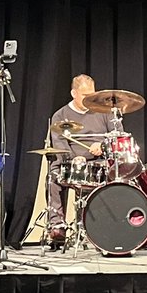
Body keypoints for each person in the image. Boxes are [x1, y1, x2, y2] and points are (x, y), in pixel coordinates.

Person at [46, 75, 114, 249]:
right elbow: (59, 144)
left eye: (92, 94)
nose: (89, 99)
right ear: (73, 93)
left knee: (116, 174)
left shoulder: (103, 111)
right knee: (53, 178)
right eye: (84, 95)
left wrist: (103, 145)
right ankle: (57, 226)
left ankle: (105, 227)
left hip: (98, 162)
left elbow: (116, 136)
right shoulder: (60, 115)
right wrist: (73, 158)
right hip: (70, 163)